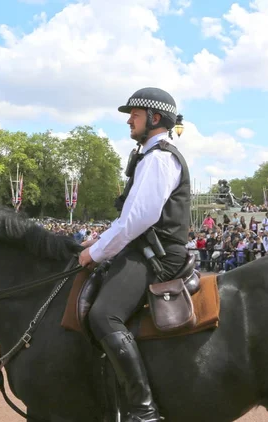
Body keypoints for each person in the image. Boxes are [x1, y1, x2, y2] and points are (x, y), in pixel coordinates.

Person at [78, 87, 190, 421]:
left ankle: (144, 411)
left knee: (104, 315)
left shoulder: (158, 158)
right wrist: (98, 239)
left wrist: (95, 253)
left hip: (157, 255)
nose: (129, 120)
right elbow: (129, 217)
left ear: (155, 119)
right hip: (145, 248)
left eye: (135, 114)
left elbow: (138, 219)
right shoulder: (148, 155)